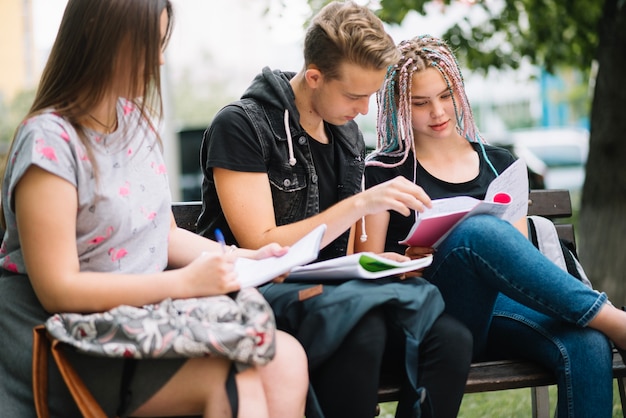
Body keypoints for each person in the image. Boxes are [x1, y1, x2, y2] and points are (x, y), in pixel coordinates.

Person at [0, 1, 309, 417]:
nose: (158, 58)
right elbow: (59, 290)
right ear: (97, 34)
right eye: (150, 43)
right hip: (67, 339)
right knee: (237, 381)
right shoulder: (48, 143)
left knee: (287, 360)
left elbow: (164, 236)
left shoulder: (136, 122)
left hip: (139, 321)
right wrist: (184, 284)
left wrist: (244, 258)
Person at [197, 2, 473, 418]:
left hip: (335, 295)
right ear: (314, 77)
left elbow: (344, 254)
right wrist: (360, 204)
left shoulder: (344, 132)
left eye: (370, 96)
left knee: (450, 338)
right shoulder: (240, 126)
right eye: (354, 95)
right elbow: (262, 245)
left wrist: (383, 263)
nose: (364, 110)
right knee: (362, 330)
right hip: (256, 296)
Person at [357, 34, 626, 417]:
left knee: (588, 342)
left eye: (446, 95)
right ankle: (616, 319)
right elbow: (365, 265)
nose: (438, 112)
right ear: (399, 105)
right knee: (474, 234)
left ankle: (604, 325)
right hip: (430, 315)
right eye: (421, 103)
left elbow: (515, 266)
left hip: (499, 313)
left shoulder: (500, 162)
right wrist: (403, 266)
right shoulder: (385, 170)